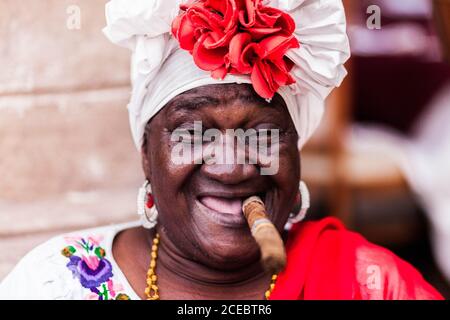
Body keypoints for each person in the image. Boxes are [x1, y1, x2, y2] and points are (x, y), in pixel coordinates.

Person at [0, 0, 443, 300]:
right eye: (193, 133)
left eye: (265, 134)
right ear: (145, 154)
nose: (231, 167)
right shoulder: (54, 283)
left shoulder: (369, 284)